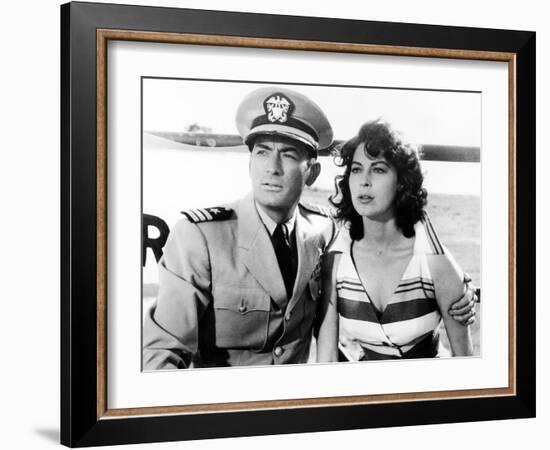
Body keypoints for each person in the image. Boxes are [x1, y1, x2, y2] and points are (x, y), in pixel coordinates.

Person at [143, 87, 337, 368]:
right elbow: (162, 352)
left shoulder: (322, 231)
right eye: (262, 152)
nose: (272, 167)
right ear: (250, 164)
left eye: (289, 155)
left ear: (312, 173)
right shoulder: (200, 236)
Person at [317, 120, 474, 361]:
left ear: (401, 181)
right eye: (356, 169)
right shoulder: (336, 261)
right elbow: (325, 362)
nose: (364, 180)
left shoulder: (435, 262)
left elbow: (466, 364)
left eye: (378, 169)